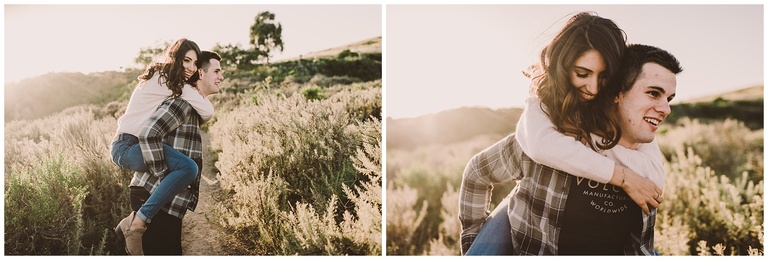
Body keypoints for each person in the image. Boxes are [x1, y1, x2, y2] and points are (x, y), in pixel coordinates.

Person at [459, 12, 662, 255]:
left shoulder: (633, 139)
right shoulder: (541, 127)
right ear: (563, 69)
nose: (594, 88)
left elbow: (654, 186)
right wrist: (476, 243)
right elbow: (479, 172)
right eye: (583, 73)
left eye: (605, 76)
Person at [114, 50, 224, 255]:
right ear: (200, 73)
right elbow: (149, 134)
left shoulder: (192, 104)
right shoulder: (182, 103)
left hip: (164, 198)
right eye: (216, 71)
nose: (221, 76)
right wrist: (162, 172)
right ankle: (131, 225)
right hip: (153, 193)